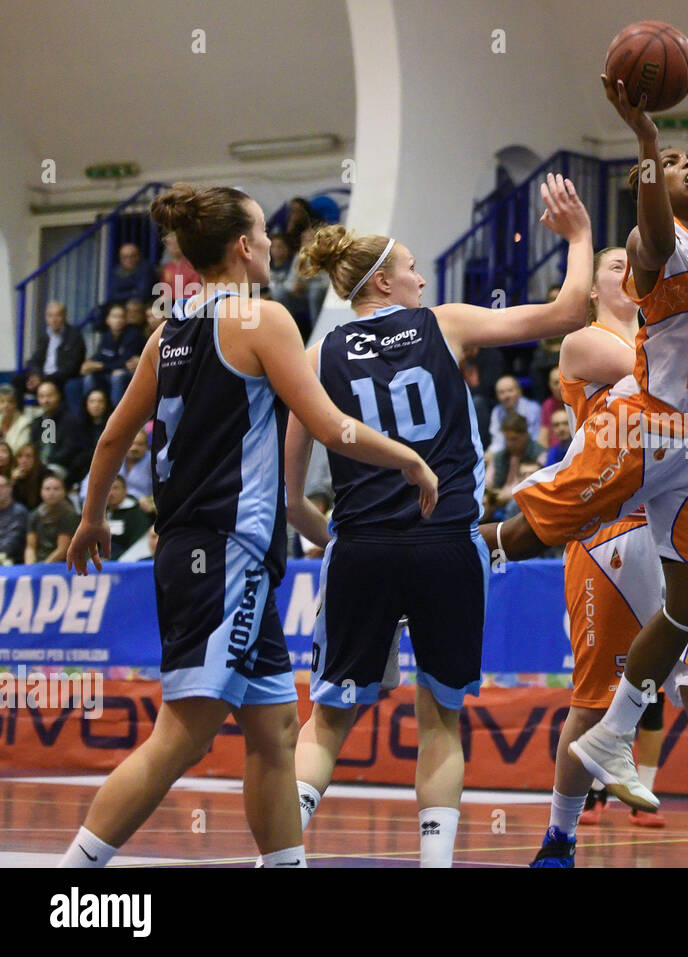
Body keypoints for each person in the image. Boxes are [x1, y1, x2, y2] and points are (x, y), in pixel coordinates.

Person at [59, 182, 438, 870]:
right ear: (242, 246)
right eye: (263, 232)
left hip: (202, 550)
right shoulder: (263, 319)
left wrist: (90, 517)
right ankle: (71, 877)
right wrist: (406, 456)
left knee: (276, 728)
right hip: (223, 552)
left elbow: (113, 437)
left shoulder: (166, 331)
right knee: (183, 734)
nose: (271, 243)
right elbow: (329, 424)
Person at [490, 77, 688, 866]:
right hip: (622, 499)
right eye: (674, 169)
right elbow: (642, 323)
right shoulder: (601, 326)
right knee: (527, 547)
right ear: (611, 281)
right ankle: (451, 556)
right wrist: (645, 147)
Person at [283, 174, 593, 868]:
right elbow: (571, 308)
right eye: (413, 268)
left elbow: (291, 498)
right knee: (440, 720)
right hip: (448, 543)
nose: (422, 278)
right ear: (385, 285)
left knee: (327, 722)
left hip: (360, 544)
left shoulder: (315, 356)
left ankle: (280, 857)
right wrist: (575, 236)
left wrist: (328, 534)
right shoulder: (444, 323)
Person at [528, 246, 688, 867]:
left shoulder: (673, 336)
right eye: (611, 262)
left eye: (634, 261)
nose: (625, 269)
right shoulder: (584, 342)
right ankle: (559, 837)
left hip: (679, 529)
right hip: (608, 537)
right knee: (594, 698)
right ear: (594, 286)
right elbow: (676, 378)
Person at [79, 303, 146, 407]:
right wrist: (89, 364)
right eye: (115, 317)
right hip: (108, 372)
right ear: (108, 320)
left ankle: (117, 413)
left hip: (128, 374)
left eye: (121, 317)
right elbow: (100, 357)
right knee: (89, 377)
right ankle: (89, 413)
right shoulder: (106, 336)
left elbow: (126, 362)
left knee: (117, 376)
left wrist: (101, 366)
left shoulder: (133, 335)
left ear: (126, 320)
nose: (118, 320)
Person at [484, 413, 546, 520]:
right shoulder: (500, 456)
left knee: (514, 503)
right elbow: (487, 483)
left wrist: (509, 495)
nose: (510, 443)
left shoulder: (540, 455)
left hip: (523, 502)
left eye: (514, 439)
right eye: (507, 439)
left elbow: (537, 488)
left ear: (526, 435)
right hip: (497, 502)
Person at [23, 302, 85, 398]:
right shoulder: (44, 336)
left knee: (69, 385)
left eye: (58, 315)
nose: (54, 320)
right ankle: (18, 412)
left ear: (64, 316)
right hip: (42, 376)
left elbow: (71, 367)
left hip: (61, 378)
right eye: (50, 316)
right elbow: (34, 360)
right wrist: (36, 375)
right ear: (46, 318)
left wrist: (43, 378)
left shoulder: (74, 336)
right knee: (18, 380)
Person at [26, 474, 79, 564]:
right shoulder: (35, 514)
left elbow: (62, 549)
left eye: (56, 489)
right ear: (41, 492)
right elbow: (30, 547)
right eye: (47, 489)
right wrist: (29, 567)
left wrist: (43, 567)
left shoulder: (69, 514)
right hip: (39, 562)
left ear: (64, 492)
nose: (51, 493)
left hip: (62, 563)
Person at [487, 375, 542, 453]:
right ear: (497, 396)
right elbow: (497, 441)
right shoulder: (496, 411)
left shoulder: (532, 408)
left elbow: (534, 438)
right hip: (505, 454)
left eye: (510, 390)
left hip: (530, 451)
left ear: (519, 391)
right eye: (502, 392)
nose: (506, 396)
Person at [105, 475, 151, 559]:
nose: (111, 493)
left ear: (125, 491)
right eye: (107, 489)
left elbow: (137, 545)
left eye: (115, 488)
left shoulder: (136, 514)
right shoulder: (101, 513)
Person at [10, 443, 51, 511]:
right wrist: (12, 481)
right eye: (20, 456)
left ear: (35, 458)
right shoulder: (15, 475)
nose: (24, 460)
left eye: (28, 456)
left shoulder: (45, 474)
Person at [0, 474, 29, 564]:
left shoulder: (19, 512)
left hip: (14, 563)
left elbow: (12, 544)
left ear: (10, 488)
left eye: (1, 487)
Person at [0, 385, 35, 454]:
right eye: (2, 401)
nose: (6, 405)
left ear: (15, 404)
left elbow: (20, 451)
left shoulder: (25, 423)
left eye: (10, 402)